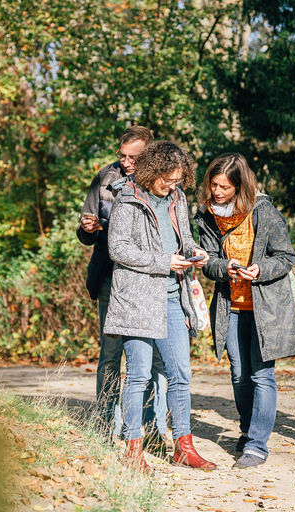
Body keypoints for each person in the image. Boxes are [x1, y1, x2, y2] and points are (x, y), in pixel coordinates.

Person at [104, 140, 215, 473]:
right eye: (167, 179)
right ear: (151, 170)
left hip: (172, 297)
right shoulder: (127, 199)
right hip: (137, 300)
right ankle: (132, 450)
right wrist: (163, 261)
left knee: (181, 374)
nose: (172, 185)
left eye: (178, 179)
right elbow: (117, 249)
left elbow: (183, 239)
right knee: (138, 377)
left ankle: (184, 447)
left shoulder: (177, 198)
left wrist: (195, 252)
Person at [194, 153, 295, 469]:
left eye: (224, 187)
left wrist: (259, 269)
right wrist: (223, 267)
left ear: (240, 186)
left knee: (261, 374)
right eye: (213, 185)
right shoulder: (208, 215)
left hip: (265, 309)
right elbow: (208, 261)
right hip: (231, 307)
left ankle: (257, 446)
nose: (217, 192)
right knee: (239, 374)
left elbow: (285, 257)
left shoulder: (265, 213)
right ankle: (246, 431)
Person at [76, 126, 171, 453]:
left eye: (134, 156)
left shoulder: (162, 182)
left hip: (150, 279)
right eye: (123, 155)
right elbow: (86, 226)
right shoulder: (104, 179)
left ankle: (152, 430)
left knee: (153, 357)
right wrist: (87, 229)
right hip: (110, 277)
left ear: (149, 154)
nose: (126, 162)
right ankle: (103, 426)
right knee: (111, 353)